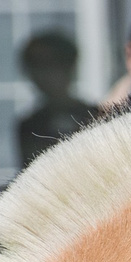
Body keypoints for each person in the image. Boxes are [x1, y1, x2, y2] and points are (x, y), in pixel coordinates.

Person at [12, 29, 96, 167]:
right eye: (38, 66)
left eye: (53, 63)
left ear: (70, 66)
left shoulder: (95, 116)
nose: (46, 74)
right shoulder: (30, 126)